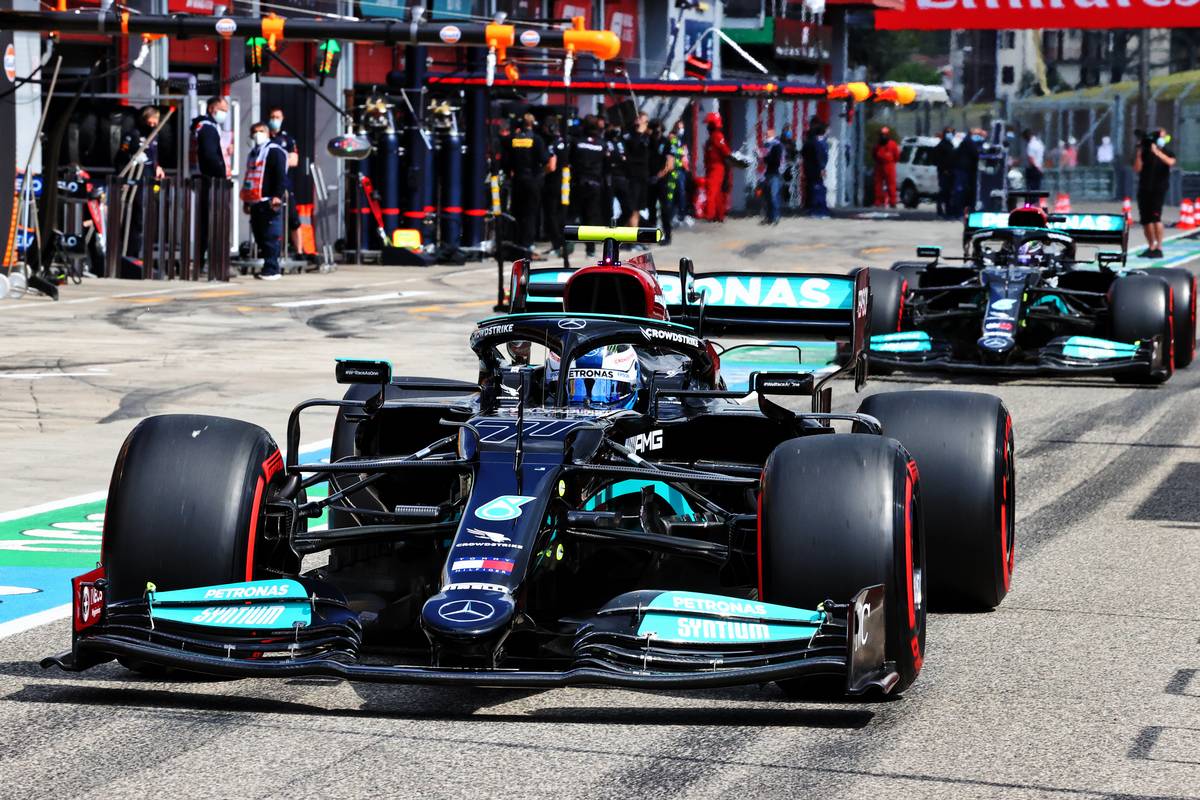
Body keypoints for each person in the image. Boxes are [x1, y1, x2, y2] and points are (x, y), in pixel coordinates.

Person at [113, 105, 166, 261]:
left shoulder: (155, 136)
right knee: (135, 218)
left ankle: (144, 253)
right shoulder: (132, 135)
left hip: (150, 180)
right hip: (135, 180)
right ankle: (131, 253)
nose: (152, 125)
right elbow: (121, 158)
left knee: (147, 217)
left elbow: (154, 156)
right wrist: (124, 176)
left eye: (155, 122)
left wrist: (158, 167)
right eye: (150, 122)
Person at [240, 121, 288, 280]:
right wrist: (246, 201)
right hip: (255, 201)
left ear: (267, 133)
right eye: (254, 131)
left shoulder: (274, 151)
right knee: (259, 235)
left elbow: (281, 176)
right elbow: (250, 177)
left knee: (270, 236)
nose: (257, 134)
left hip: (269, 200)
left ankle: (272, 268)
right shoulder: (254, 153)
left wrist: (277, 195)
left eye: (260, 131)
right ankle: (268, 266)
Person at [503, 115, 552, 257]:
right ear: (534, 124)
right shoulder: (536, 139)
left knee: (517, 212)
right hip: (532, 180)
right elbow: (545, 160)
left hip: (517, 180)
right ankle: (527, 245)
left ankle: (517, 242)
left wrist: (510, 173)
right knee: (530, 214)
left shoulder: (513, 139)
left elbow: (506, 161)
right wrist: (540, 176)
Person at [190, 96, 230, 269]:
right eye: (223, 110)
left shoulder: (206, 126)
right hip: (209, 181)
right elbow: (209, 154)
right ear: (212, 108)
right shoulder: (206, 127)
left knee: (207, 221)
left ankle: (203, 259)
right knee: (209, 221)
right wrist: (220, 174)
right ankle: (206, 260)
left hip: (206, 179)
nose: (224, 114)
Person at [1134, 128, 1176, 259]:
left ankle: (1159, 247)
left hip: (1158, 189)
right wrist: (1140, 151)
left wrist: (1157, 152)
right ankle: (1151, 246)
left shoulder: (1167, 152)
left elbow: (1171, 162)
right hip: (1144, 188)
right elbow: (1137, 168)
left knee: (1156, 218)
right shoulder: (1145, 151)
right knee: (1146, 220)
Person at [569, 117, 608, 257]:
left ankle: (568, 245)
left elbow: (570, 160)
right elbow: (606, 165)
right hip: (595, 184)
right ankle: (590, 249)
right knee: (590, 217)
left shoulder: (577, 142)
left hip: (578, 183)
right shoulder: (602, 144)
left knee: (572, 215)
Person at [266, 106, 302, 257]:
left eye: (278, 117)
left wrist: (278, 160)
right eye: (272, 116)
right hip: (267, 185)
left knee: (293, 220)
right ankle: (270, 251)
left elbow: (294, 160)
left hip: (285, 185)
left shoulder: (287, 139)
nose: (275, 120)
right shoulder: (265, 137)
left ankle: (299, 251)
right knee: (268, 219)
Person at [540, 117, 569, 257]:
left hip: (553, 183)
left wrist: (540, 173)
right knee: (561, 214)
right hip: (565, 183)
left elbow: (551, 166)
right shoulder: (566, 142)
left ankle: (557, 245)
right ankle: (563, 244)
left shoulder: (552, 144)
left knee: (551, 215)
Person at [646, 119, 675, 245]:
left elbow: (670, 163)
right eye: (654, 128)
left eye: (658, 128)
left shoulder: (666, 142)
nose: (656, 131)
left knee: (665, 209)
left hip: (662, 181)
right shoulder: (647, 142)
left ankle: (667, 236)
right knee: (650, 209)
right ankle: (651, 235)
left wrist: (659, 175)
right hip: (648, 180)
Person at [702, 112, 732, 222]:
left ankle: (709, 215)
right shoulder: (712, 138)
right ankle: (719, 215)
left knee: (711, 191)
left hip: (716, 167)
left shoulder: (717, 136)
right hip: (712, 167)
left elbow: (726, 151)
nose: (707, 127)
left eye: (709, 124)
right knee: (717, 193)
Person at [622, 113, 651, 228]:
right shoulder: (630, 135)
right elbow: (633, 147)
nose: (644, 124)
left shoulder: (647, 137)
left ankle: (633, 235)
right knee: (632, 208)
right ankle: (631, 237)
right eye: (642, 121)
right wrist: (639, 132)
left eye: (645, 122)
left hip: (643, 175)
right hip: (632, 176)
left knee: (638, 208)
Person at [800, 118, 829, 217]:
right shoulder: (817, 144)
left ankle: (811, 208)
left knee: (811, 188)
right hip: (815, 170)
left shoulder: (808, 143)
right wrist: (822, 168)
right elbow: (819, 156)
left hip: (809, 169)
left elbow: (803, 154)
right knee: (817, 189)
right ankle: (818, 209)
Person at [952, 128, 984, 216]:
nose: (979, 137)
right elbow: (975, 154)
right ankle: (958, 211)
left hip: (965, 170)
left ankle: (960, 210)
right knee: (961, 191)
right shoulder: (968, 142)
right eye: (977, 135)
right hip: (964, 170)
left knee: (963, 191)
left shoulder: (968, 142)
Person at [668, 119, 691, 226]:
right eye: (679, 127)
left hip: (681, 169)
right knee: (672, 193)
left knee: (681, 192)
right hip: (674, 170)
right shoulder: (672, 138)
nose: (681, 129)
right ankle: (671, 216)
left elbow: (684, 153)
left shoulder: (682, 140)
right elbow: (675, 151)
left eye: (682, 127)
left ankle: (681, 214)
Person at [760, 126, 784, 225]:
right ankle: (769, 217)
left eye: (768, 134)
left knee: (773, 196)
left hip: (775, 174)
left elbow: (776, 160)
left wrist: (765, 159)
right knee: (767, 196)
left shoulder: (777, 146)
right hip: (767, 173)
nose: (766, 136)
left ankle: (775, 216)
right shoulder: (766, 146)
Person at [873, 126, 901, 208]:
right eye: (882, 135)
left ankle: (892, 202)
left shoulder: (893, 144)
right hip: (879, 166)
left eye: (885, 135)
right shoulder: (877, 145)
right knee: (878, 185)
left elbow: (897, 156)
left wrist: (891, 162)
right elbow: (874, 154)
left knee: (891, 184)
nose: (883, 137)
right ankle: (878, 201)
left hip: (889, 165)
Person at [932, 127, 957, 219]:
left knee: (949, 192)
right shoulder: (941, 146)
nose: (950, 135)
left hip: (951, 172)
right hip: (944, 172)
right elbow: (937, 160)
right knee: (944, 191)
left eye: (951, 133)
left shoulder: (950, 145)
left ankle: (948, 210)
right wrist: (944, 169)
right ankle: (940, 209)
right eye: (948, 133)